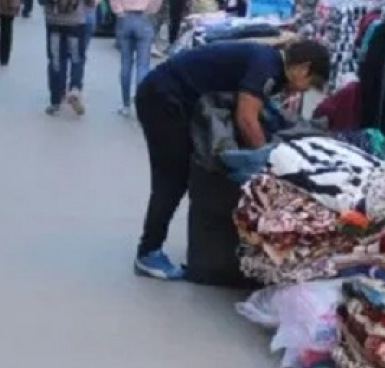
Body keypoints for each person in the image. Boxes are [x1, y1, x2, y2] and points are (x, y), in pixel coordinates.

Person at [131, 39, 331, 280]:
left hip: (169, 97)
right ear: (303, 68)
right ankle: (148, 251)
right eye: (309, 84)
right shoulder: (266, 67)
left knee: (178, 176)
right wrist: (270, 162)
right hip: (163, 98)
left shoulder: (270, 65)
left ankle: (151, 248)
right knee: (172, 177)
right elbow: (246, 119)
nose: (303, 91)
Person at [109, 0, 166, 116]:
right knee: (143, 64)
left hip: (125, 18)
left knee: (126, 63)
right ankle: (141, 104)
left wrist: (118, 10)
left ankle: (125, 105)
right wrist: (151, 7)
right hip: (144, 18)